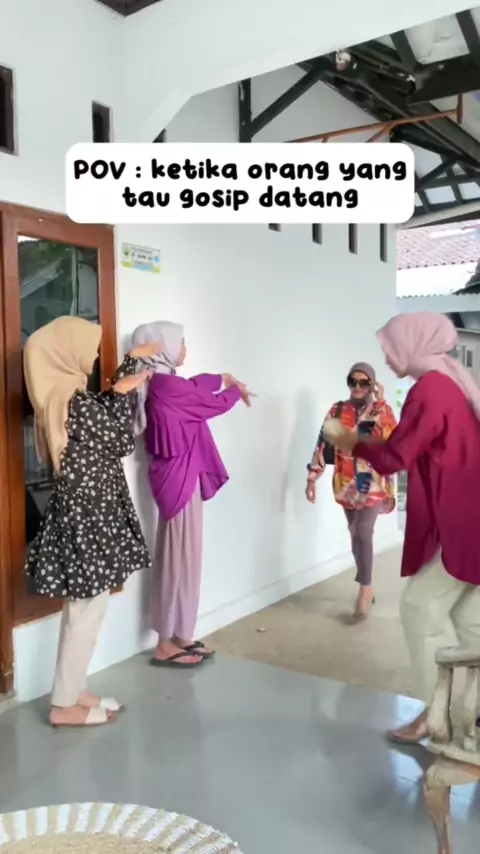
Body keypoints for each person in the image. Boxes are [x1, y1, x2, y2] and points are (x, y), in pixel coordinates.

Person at [332, 312, 480, 743]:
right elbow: (409, 446)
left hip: (461, 517)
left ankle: (441, 717)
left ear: (415, 343)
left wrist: (353, 443)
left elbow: (397, 455)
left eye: (391, 346)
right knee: (467, 619)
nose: (386, 355)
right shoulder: (451, 382)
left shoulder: (430, 389)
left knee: (420, 608)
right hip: (468, 512)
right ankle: (462, 715)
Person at [24, 316, 156, 728]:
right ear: (66, 352)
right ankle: (63, 705)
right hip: (89, 516)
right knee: (86, 609)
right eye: (90, 349)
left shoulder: (68, 396)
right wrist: (123, 389)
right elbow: (119, 439)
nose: (96, 357)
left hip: (88, 513)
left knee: (88, 608)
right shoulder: (71, 400)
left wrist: (129, 365)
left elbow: (104, 412)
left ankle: (73, 689)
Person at [132, 320, 254, 669]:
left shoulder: (163, 381)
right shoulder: (165, 385)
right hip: (178, 481)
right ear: (164, 346)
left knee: (187, 559)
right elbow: (205, 401)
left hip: (184, 478)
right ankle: (164, 643)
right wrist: (234, 390)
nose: (186, 348)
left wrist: (223, 378)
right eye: (181, 342)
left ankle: (181, 633)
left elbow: (196, 385)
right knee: (176, 560)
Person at [305, 362, 397, 618]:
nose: (357, 386)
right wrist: (312, 478)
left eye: (363, 382)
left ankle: (365, 589)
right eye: (352, 381)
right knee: (355, 533)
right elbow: (322, 444)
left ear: (372, 384)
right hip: (346, 483)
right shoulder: (337, 410)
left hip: (373, 482)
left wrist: (380, 403)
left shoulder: (380, 410)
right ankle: (368, 582)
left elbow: (392, 436)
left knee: (363, 530)